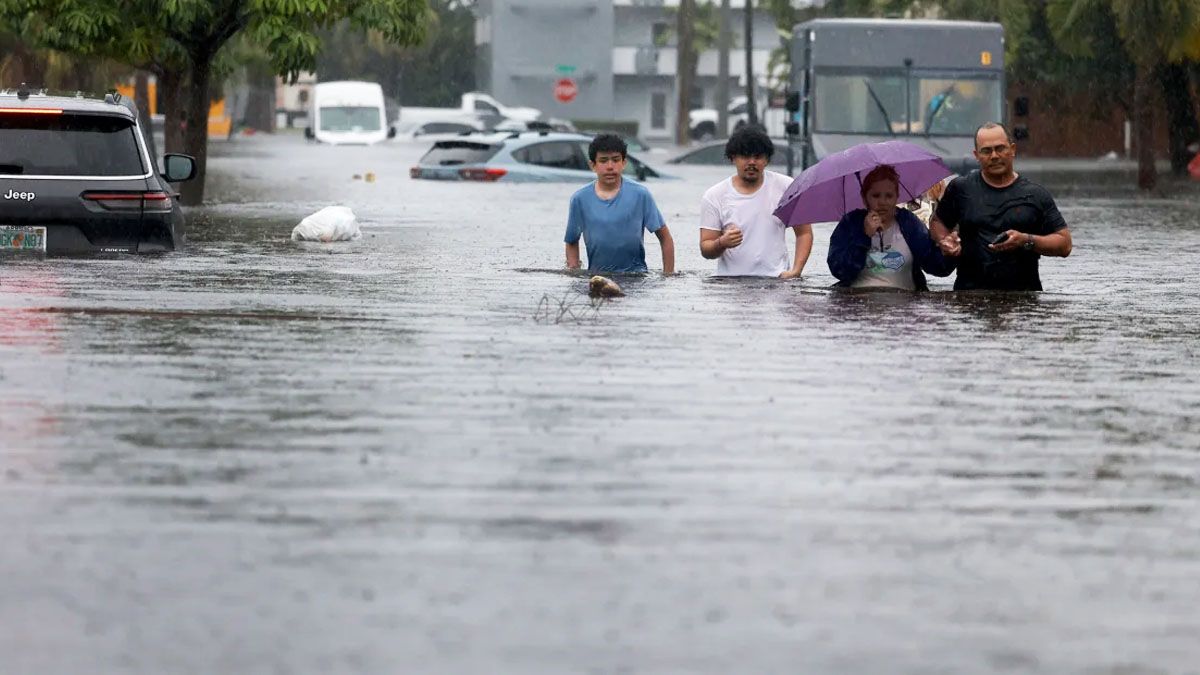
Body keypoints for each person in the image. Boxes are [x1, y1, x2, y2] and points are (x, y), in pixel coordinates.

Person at [930, 122, 1072, 291]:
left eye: (1000, 148)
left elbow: (1065, 244)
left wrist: (1026, 240)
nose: (994, 156)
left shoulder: (1036, 195)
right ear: (976, 155)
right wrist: (945, 241)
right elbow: (938, 222)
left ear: (1012, 150)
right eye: (986, 151)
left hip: (1023, 301)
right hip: (970, 299)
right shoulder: (960, 188)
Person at [699, 125, 813, 278]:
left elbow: (804, 232)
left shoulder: (786, 187)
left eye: (758, 157)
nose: (752, 162)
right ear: (733, 158)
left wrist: (796, 271)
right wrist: (722, 243)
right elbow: (705, 249)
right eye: (745, 156)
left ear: (767, 160)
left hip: (776, 282)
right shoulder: (714, 196)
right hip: (729, 284)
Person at [827, 164, 955, 291]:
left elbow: (937, 267)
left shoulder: (908, 223)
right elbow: (839, 270)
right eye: (876, 196)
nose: (882, 202)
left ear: (897, 197)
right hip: (858, 302)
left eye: (889, 196)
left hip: (903, 302)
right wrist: (864, 236)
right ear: (865, 197)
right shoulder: (851, 223)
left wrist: (949, 252)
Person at [565, 134, 675, 275]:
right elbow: (571, 241)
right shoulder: (579, 199)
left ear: (624, 163)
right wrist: (575, 274)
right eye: (603, 161)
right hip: (597, 278)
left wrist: (668, 276)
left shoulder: (640, 194)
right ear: (593, 165)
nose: (610, 167)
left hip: (636, 279)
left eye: (616, 160)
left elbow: (665, 237)